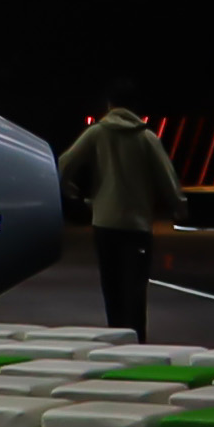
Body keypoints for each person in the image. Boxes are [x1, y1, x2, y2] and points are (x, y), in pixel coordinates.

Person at [61, 93, 179, 335]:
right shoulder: (147, 137)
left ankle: (115, 337)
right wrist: (179, 207)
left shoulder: (96, 133)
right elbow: (167, 177)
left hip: (104, 221)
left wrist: (72, 192)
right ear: (135, 108)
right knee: (135, 289)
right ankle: (137, 340)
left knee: (112, 287)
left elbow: (64, 164)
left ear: (109, 105)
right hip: (137, 225)